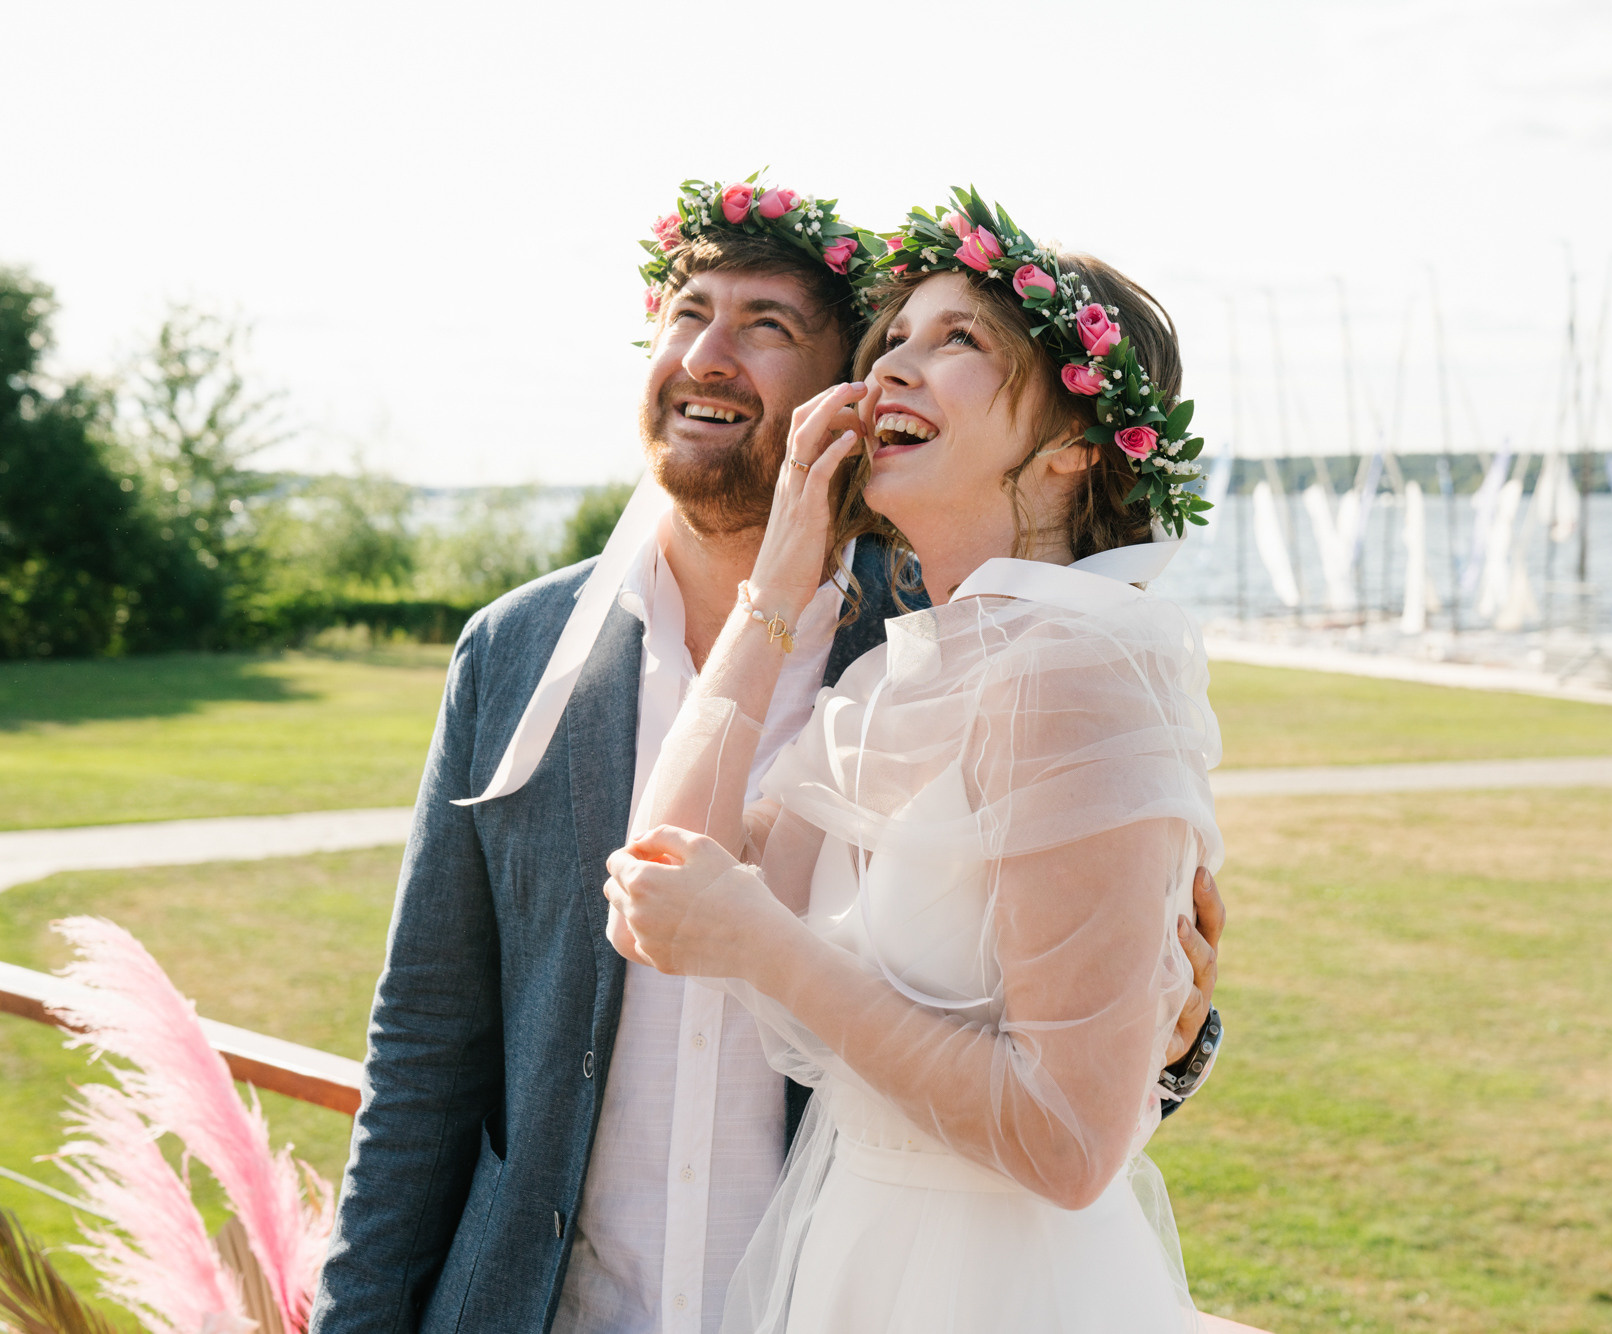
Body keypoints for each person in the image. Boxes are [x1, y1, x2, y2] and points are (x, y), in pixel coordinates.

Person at [310, 178, 1225, 1334]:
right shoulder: (526, 650)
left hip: (855, 1286)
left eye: (767, 326)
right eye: (686, 312)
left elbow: (1068, 1082)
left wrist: (1168, 1037)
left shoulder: (934, 636)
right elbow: (434, 1031)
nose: (706, 354)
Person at [603, 187, 1222, 1332]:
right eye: (890, 339)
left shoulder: (1075, 673)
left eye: (958, 342)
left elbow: (1070, 1143)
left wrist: (760, 940)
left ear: (1074, 450)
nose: (892, 366)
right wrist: (780, 576)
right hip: (858, 1258)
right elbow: (660, 883)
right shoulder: (883, 678)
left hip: (999, 1284)